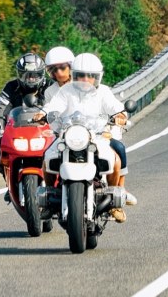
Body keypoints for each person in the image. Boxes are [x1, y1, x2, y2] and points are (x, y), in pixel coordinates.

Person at [39, 52, 137, 221]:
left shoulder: (104, 92)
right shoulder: (66, 91)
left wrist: (121, 115)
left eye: (90, 76)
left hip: (96, 136)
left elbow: (116, 107)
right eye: (80, 75)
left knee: (115, 161)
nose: (85, 79)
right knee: (47, 157)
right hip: (69, 136)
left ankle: (114, 202)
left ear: (97, 77)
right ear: (74, 75)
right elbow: (54, 105)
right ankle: (49, 198)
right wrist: (43, 113)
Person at [0, 52, 48, 173]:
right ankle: (9, 181)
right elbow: (0, 109)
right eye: (26, 75)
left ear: (41, 74)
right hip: (18, 132)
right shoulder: (11, 87)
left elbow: (60, 106)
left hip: (46, 133)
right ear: (19, 74)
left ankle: (60, 187)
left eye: (34, 75)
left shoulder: (49, 87)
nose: (30, 78)